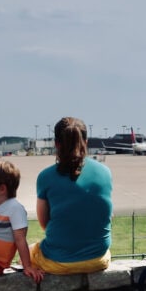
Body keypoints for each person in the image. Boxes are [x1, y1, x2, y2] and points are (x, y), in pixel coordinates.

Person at [29, 116, 113, 275]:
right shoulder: (105, 172)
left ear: (56, 144)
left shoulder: (45, 176)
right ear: (86, 142)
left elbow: (43, 223)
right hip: (98, 260)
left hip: (59, 262)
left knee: (29, 251)